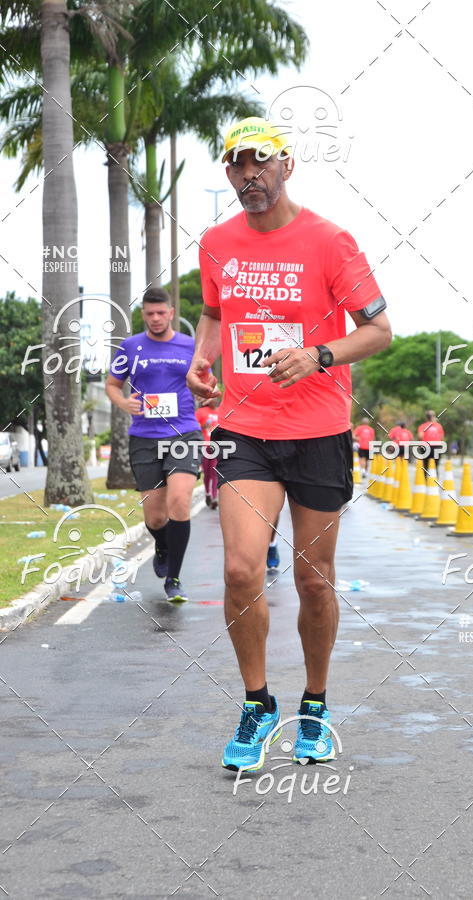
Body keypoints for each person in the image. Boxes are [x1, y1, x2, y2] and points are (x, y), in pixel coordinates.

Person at [186, 116, 392, 771]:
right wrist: (202, 357)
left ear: (286, 165)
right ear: (228, 173)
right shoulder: (217, 242)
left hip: (318, 432)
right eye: (237, 164)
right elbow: (214, 311)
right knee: (240, 570)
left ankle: (315, 704)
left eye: (261, 161)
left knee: (313, 580)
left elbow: (379, 330)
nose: (249, 174)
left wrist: (319, 355)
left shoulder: (330, 241)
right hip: (244, 428)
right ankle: (256, 704)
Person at [105, 287, 200, 603]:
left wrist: (207, 388)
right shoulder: (130, 347)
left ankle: (174, 578)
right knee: (156, 519)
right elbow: (112, 384)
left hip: (183, 433)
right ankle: (161, 544)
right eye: (150, 314)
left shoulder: (190, 345)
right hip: (144, 437)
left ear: (171, 313)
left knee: (180, 502)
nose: (156, 318)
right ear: (143, 315)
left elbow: (203, 379)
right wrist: (123, 403)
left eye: (161, 313)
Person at [195, 398, 220, 509]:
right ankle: (208, 493)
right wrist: (203, 426)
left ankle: (214, 497)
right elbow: (194, 428)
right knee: (207, 473)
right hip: (204, 445)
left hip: (216, 446)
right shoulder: (201, 412)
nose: (213, 400)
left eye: (215, 398)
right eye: (211, 399)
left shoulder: (220, 412)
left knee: (214, 472)